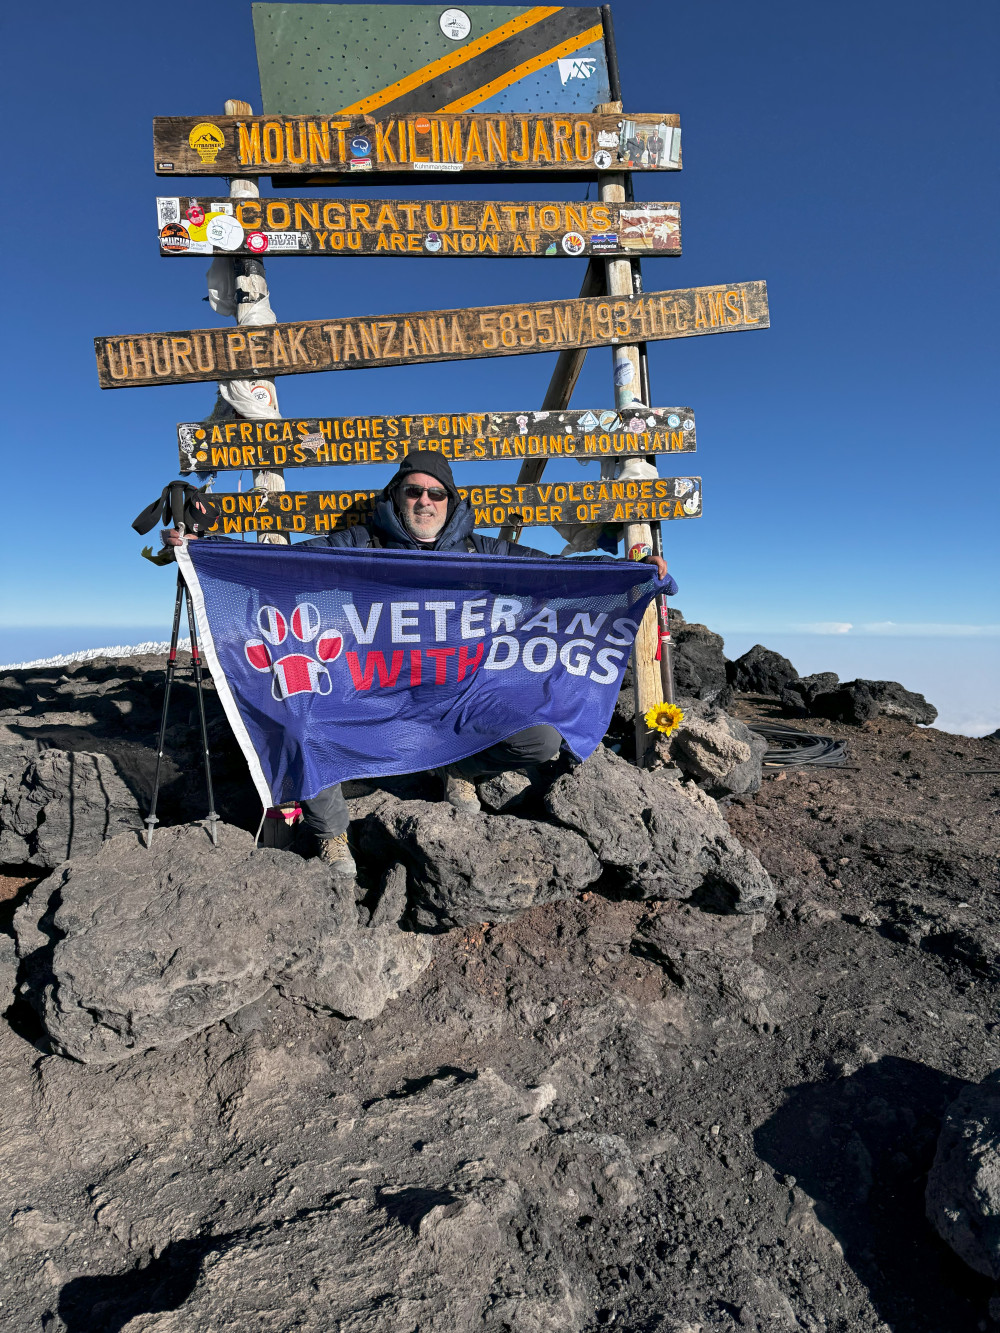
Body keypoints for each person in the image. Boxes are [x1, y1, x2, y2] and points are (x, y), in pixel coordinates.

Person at [163, 450, 675, 877]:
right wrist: (201, 551)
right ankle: (331, 834)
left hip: (461, 689)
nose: (424, 501)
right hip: (371, 689)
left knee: (539, 740)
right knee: (301, 721)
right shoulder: (361, 545)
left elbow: (553, 573)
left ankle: (461, 767)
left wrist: (628, 573)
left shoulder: (481, 550)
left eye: (436, 493)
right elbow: (284, 568)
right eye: (413, 492)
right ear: (397, 497)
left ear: (450, 503)